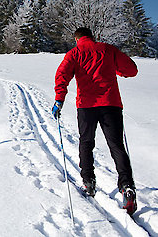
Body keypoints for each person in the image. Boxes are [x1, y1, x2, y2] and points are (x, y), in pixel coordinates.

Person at [52, 27, 138, 215]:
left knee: (86, 142)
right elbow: (131, 69)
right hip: (111, 105)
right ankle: (127, 186)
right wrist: (116, 70)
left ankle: (89, 182)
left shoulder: (74, 53)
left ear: (77, 39)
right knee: (116, 145)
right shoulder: (108, 49)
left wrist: (59, 99)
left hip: (86, 106)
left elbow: (62, 75)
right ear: (93, 36)